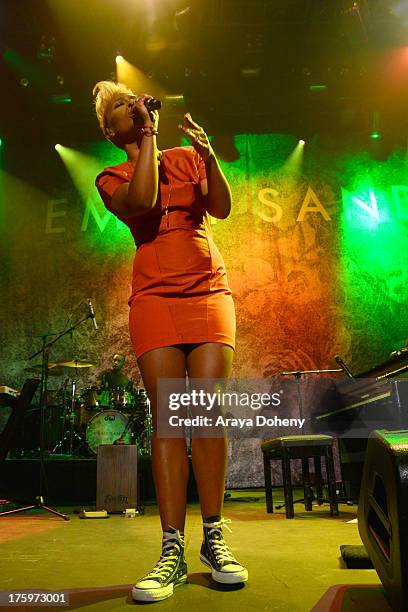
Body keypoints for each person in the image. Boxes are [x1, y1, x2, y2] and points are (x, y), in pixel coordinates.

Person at [93, 80, 248, 602]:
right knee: (168, 418)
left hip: (208, 290)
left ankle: (214, 536)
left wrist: (211, 160)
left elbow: (220, 209)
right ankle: (171, 548)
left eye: (133, 99)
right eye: (120, 107)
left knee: (204, 413)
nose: (132, 107)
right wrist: (152, 134)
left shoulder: (185, 155)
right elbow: (143, 202)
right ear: (112, 131)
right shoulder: (110, 175)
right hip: (155, 299)